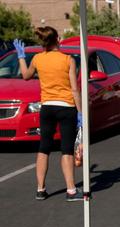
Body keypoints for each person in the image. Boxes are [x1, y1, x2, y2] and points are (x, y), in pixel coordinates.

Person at [14, 27, 83, 201]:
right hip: (66, 107)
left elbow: (25, 76)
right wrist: (81, 113)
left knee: (44, 147)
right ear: (58, 39)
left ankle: (40, 189)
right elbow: (74, 89)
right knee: (66, 150)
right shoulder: (68, 60)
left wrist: (21, 57)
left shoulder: (37, 59)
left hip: (47, 107)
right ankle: (71, 191)